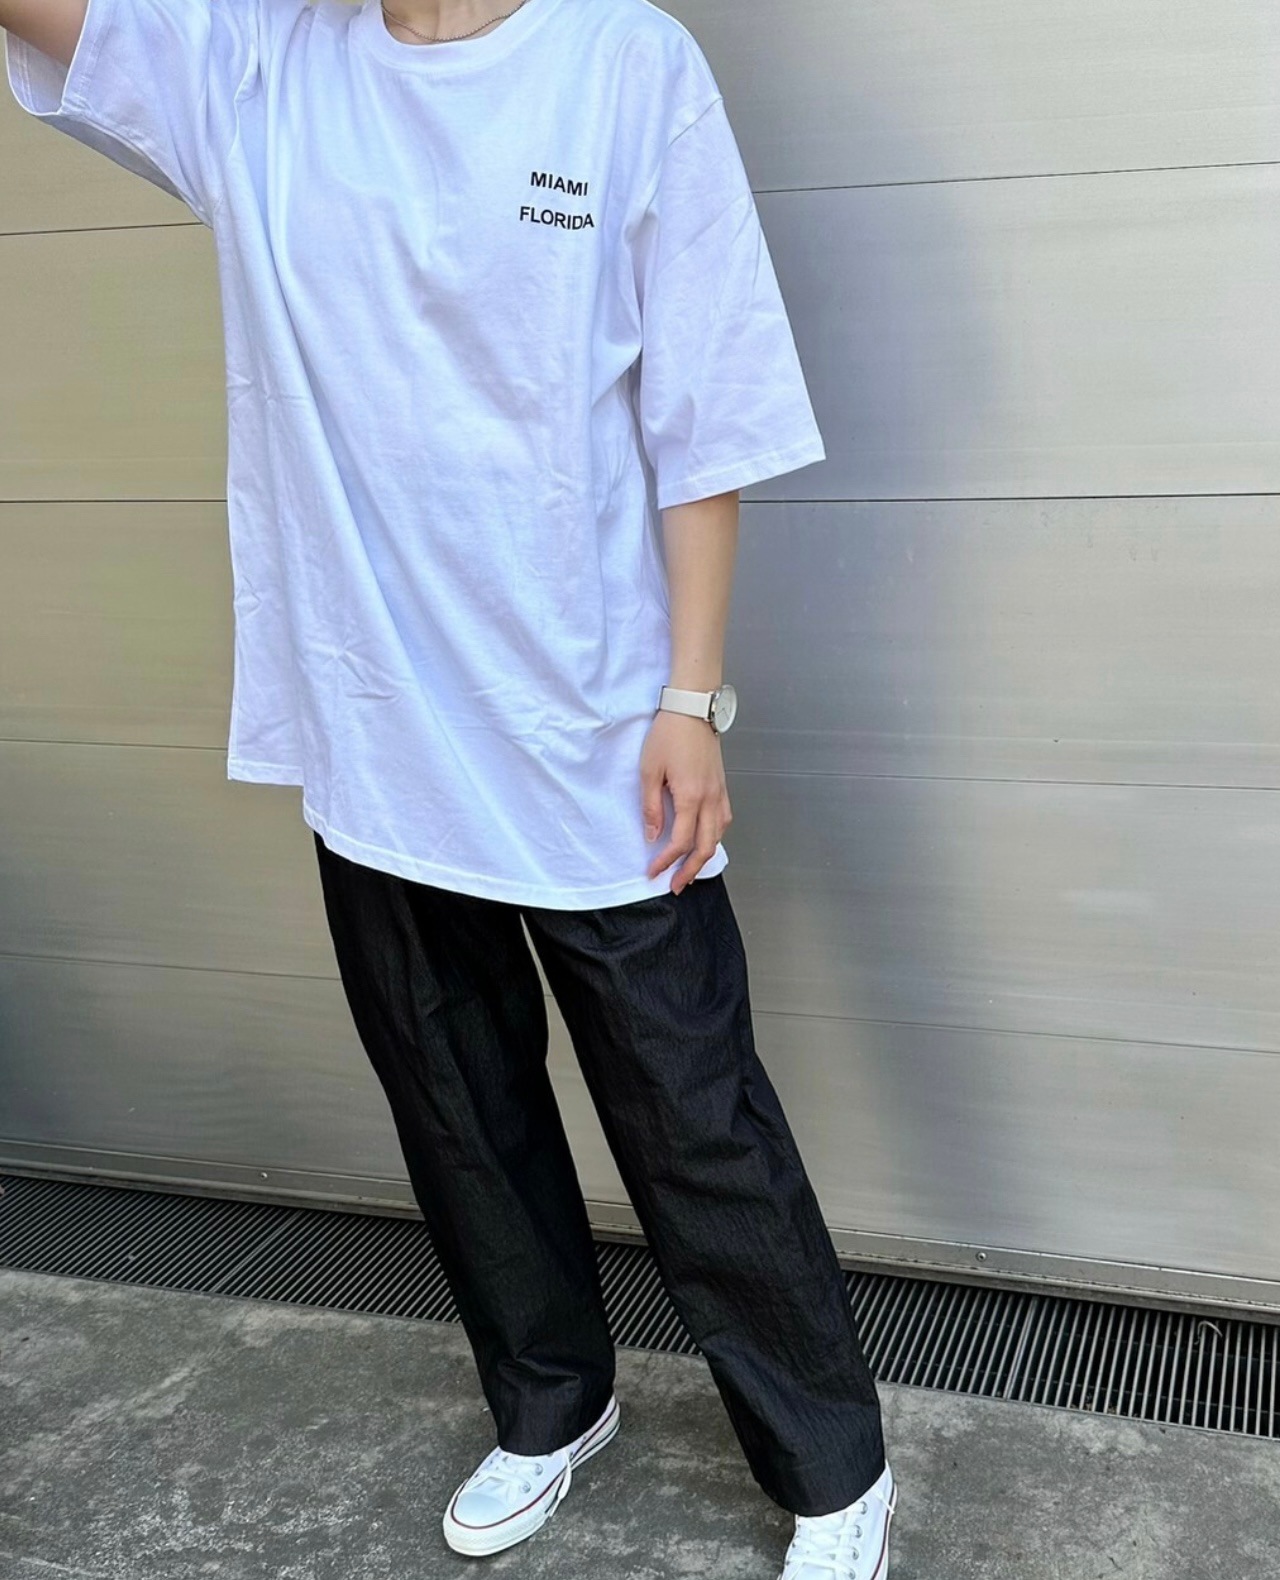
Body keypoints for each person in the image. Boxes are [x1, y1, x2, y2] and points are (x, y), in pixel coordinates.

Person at [2, 0, 897, 1572]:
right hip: (380, 734)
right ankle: (552, 1402)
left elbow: (708, 409)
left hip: (592, 726)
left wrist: (690, 697)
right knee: (459, 1104)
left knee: (693, 1117)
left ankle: (834, 1470)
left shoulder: (623, 64)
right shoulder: (255, 67)